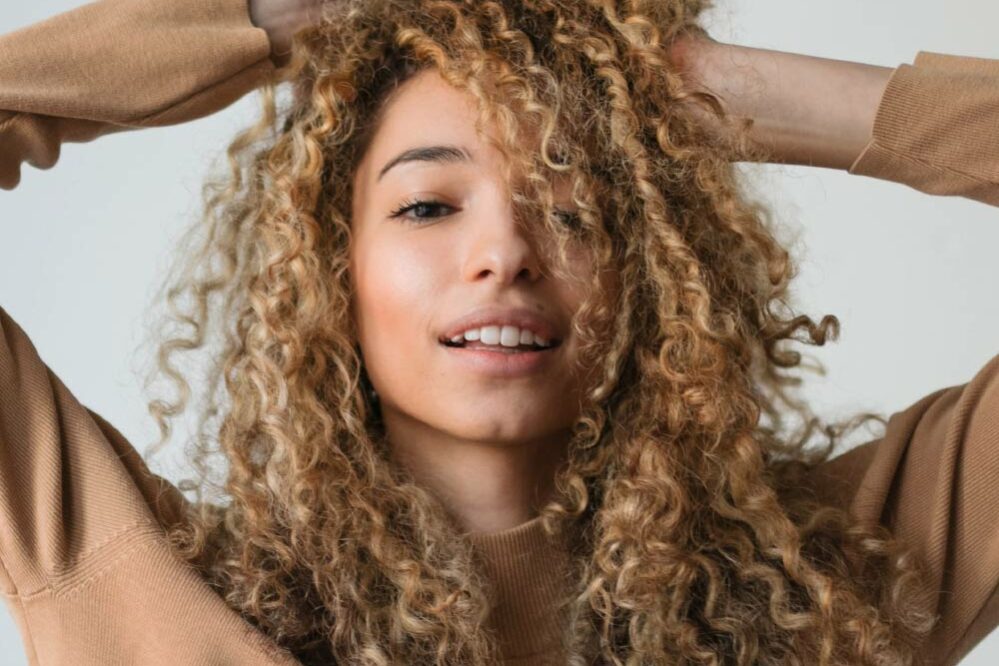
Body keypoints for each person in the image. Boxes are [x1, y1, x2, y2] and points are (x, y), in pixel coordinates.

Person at [0, 0, 996, 664]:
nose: (506, 254)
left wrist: (736, 91)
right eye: (428, 206)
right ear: (329, 269)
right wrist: (267, 21)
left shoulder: (841, 580)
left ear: (654, 273)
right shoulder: (131, 582)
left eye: (573, 209)